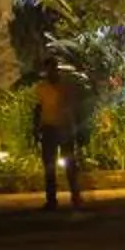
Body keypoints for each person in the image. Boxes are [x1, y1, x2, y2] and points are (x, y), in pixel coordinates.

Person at [33, 59, 86, 209]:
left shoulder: (66, 87)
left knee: (69, 164)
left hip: (64, 128)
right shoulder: (41, 88)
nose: (50, 73)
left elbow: (76, 108)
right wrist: (35, 130)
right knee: (49, 166)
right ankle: (51, 200)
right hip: (49, 128)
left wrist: (79, 129)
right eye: (47, 70)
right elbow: (38, 109)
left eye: (52, 69)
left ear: (56, 70)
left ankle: (75, 197)